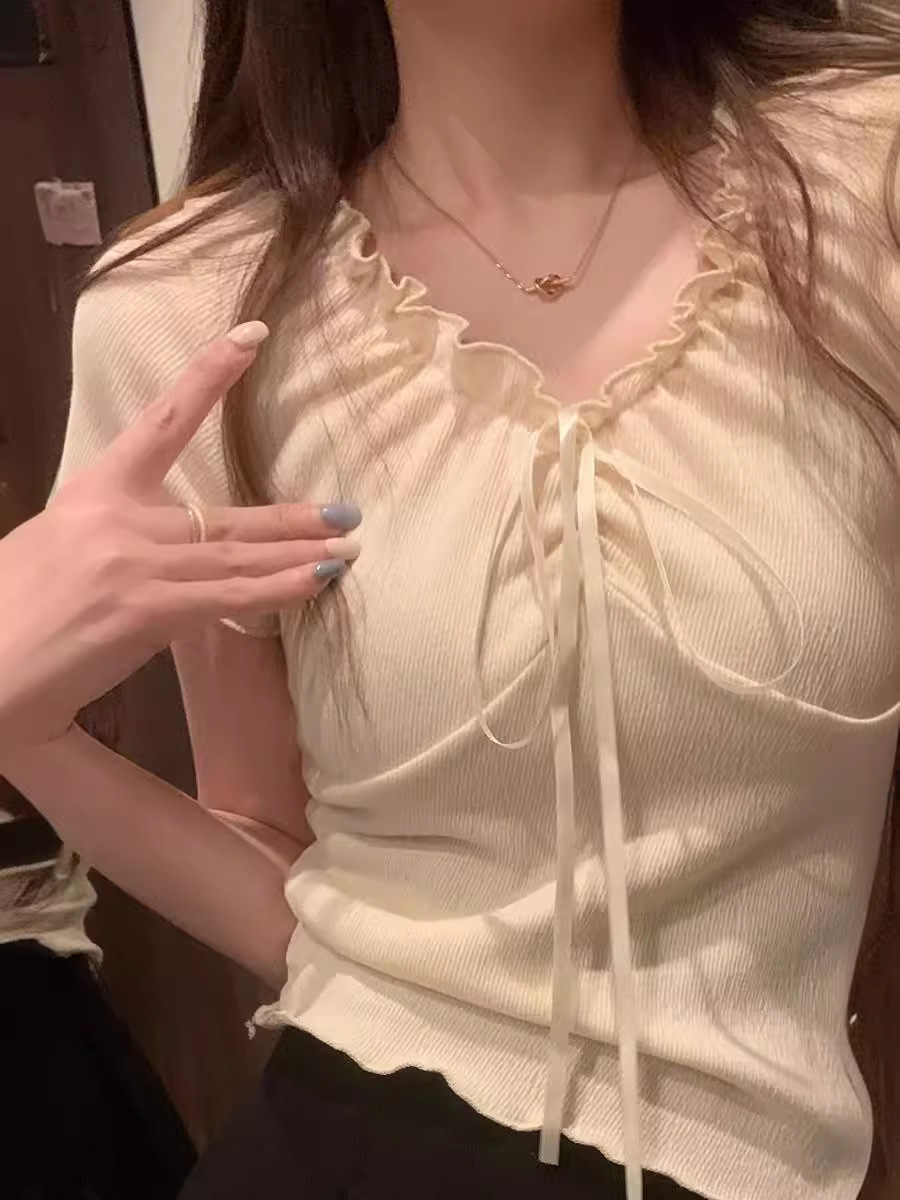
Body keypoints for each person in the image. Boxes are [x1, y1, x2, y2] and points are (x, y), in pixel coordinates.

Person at [1, 1, 898, 1198]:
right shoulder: (192, 302)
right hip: (351, 1143)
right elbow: (278, 853)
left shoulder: (863, 176)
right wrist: (23, 734)